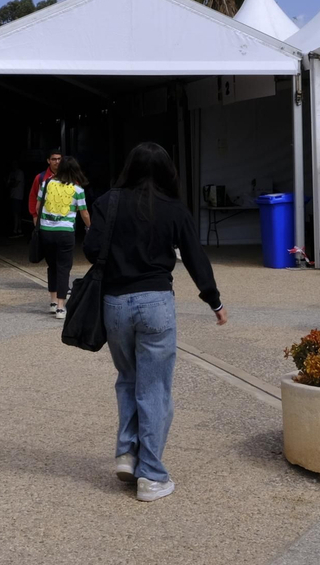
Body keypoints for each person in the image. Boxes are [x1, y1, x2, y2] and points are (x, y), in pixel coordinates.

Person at [84, 142, 226, 504]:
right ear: (167, 171)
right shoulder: (174, 209)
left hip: (114, 304)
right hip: (156, 303)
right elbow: (195, 257)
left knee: (128, 379)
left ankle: (127, 454)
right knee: (155, 389)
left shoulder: (107, 202)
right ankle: (151, 475)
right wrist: (214, 300)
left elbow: (90, 248)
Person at [36, 155, 91, 318]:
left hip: (46, 231)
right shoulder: (77, 189)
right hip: (65, 232)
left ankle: (53, 302)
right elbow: (84, 213)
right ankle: (61, 307)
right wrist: (90, 227)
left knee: (52, 266)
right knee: (63, 267)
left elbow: (38, 206)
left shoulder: (46, 184)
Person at [27, 149, 63, 220]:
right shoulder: (40, 177)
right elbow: (33, 196)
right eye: (54, 159)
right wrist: (34, 215)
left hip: (64, 220)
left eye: (59, 159)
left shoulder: (69, 177)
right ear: (48, 161)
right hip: (45, 220)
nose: (57, 162)